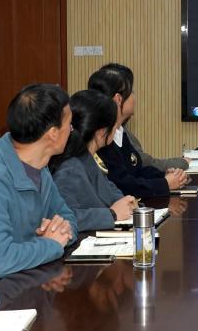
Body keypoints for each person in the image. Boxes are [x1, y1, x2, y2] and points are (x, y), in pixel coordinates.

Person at [0, 83, 78, 277]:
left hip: (27, 275)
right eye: (69, 124)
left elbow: (69, 219)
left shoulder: (39, 167)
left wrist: (58, 233)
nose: (71, 130)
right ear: (53, 134)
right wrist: (50, 244)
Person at [87, 65, 189, 198]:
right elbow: (123, 184)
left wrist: (164, 175)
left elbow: (138, 170)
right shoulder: (103, 139)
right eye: (132, 92)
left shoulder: (120, 133)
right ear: (118, 99)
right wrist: (164, 183)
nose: (134, 98)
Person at [50, 89, 139, 231]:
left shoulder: (88, 157)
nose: (117, 129)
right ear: (101, 133)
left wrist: (127, 202)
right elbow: (64, 219)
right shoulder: (70, 168)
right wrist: (112, 214)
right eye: (114, 125)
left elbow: (111, 191)